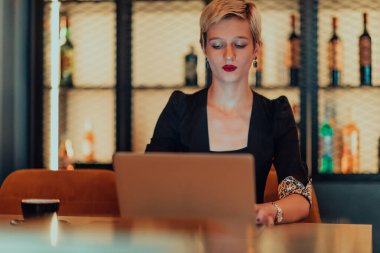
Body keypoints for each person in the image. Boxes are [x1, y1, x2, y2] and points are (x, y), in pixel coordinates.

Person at [146, 0, 311, 226]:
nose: (229, 55)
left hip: (249, 241)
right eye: (217, 45)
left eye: (240, 44)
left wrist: (269, 211)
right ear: (203, 47)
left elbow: (299, 197)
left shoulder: (276, 113)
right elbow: (147, 183)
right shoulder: (179, 108)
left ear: (256, 48)